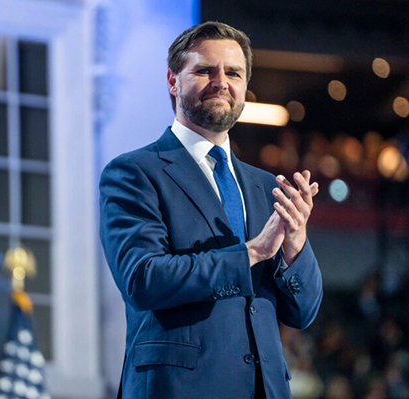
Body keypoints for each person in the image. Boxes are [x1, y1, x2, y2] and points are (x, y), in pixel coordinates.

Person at [99, 21, 323, 399]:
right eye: (205, 70)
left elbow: (302, 312)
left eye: (234, 73)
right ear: (173, 81)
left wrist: (294, 246)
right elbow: (143, 279)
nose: (221, 81)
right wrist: (252, 252)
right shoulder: (134, 173)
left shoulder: (267, 187)